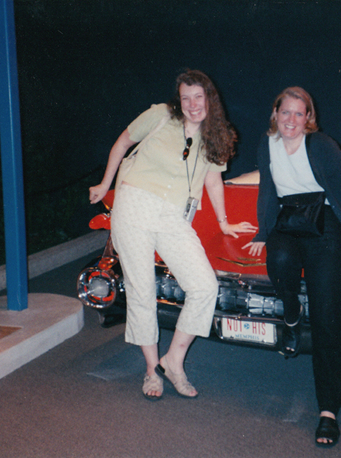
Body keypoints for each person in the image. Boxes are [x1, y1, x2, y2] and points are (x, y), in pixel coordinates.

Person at [90, 70, 257, 401]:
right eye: (186, 98)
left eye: (199, 97)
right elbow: (124, 142)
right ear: (178, 101)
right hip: (135, 203)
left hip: (174, 216)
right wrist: (105, 184)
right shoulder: (161, 116)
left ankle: (173, 361)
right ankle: (152, 370)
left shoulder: (218, 136)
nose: (193, 105)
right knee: (142, 289)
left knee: (204, 286)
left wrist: (224, 223)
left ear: (210, 98)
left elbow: (212, 181)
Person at [243, 87, 341, 447]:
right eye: (286, 113)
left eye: (300, 114)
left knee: (329, 316)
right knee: (278, 260)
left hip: (325, 220)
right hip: (288, 219)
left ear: (308, 118)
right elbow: (267, 190)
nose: (291, 121)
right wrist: (263, 232)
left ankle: (327, 411)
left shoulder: (323, 146)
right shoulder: (266, 145)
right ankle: (293, 310)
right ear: (276, 113)